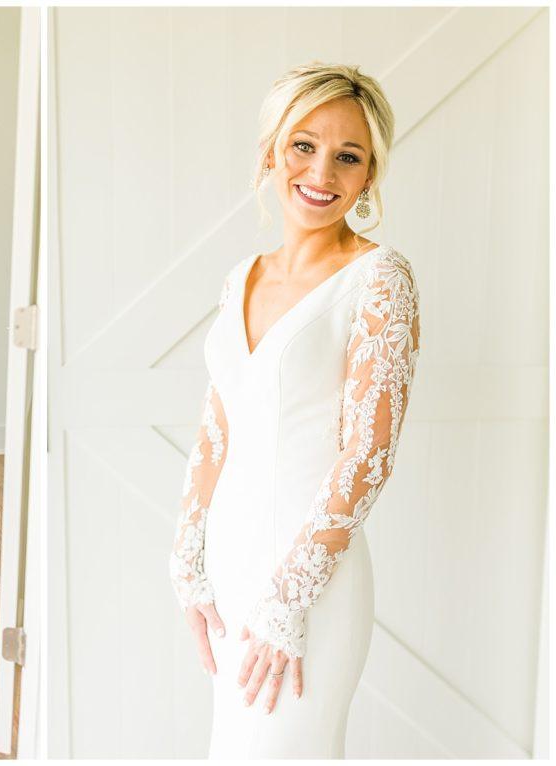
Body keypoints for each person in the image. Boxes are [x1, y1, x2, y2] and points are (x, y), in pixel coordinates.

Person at [168, 63, 421, 758]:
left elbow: (367, 457)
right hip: (229, 565)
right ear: (271, 153)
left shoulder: (380, 278)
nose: (322, 171)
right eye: (304, 146)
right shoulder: (240, 276)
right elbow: (217, 429)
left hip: (313, 585)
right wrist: (186, 559)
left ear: (369, 178)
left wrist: (288, 600)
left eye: (349, 156)